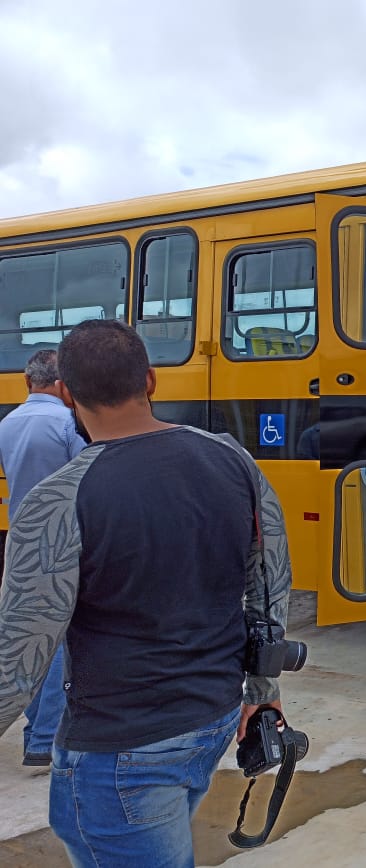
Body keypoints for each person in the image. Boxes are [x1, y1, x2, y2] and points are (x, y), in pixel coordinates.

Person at [0, 320, 292, 866]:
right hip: (214, 716)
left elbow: (18, 654)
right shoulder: (233, 459)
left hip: (118, 752)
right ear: (151, 381)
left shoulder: (55, 501)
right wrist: (262, 687)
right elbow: (270, 580)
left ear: (65, 392)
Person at [0, 348, 87, 766]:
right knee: (59, 642)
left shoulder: (8, 423)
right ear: (61, 384)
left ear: (27, 382)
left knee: (32, 636)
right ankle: (44, 738)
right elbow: (85, 477)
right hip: (66, 540)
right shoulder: (68, 422)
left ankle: (37, 733)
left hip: (22, 539)